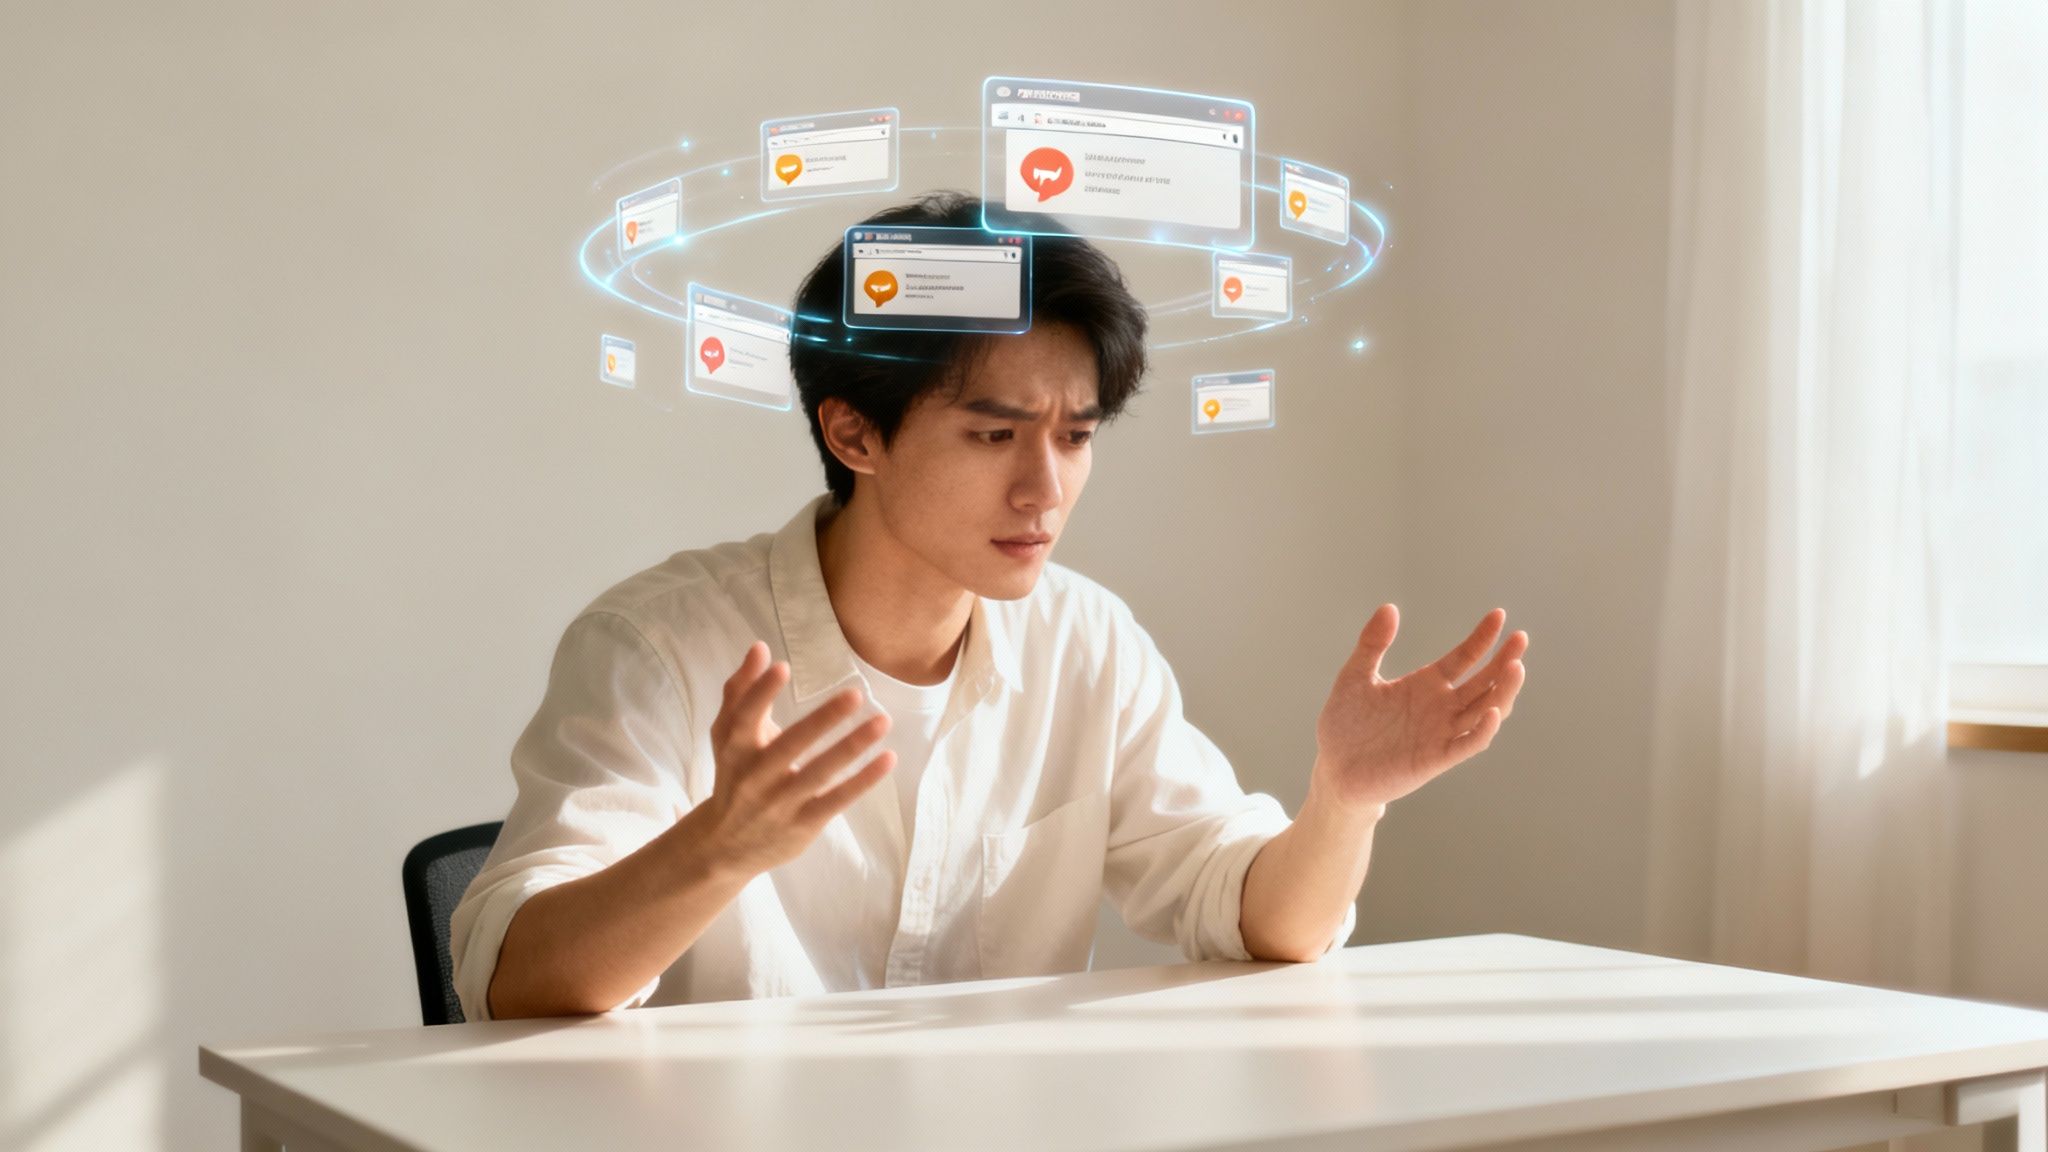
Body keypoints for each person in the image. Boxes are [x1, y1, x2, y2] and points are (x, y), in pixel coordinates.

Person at [450, 191, 1529, 1021]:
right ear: (853, 433)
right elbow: (512, 986)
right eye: (991, 433)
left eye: (1074, 435)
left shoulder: (1086, 641)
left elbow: (1256, 920)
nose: (1044, 489)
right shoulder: (659, 647)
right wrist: (718, 848)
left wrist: (1343, 802)